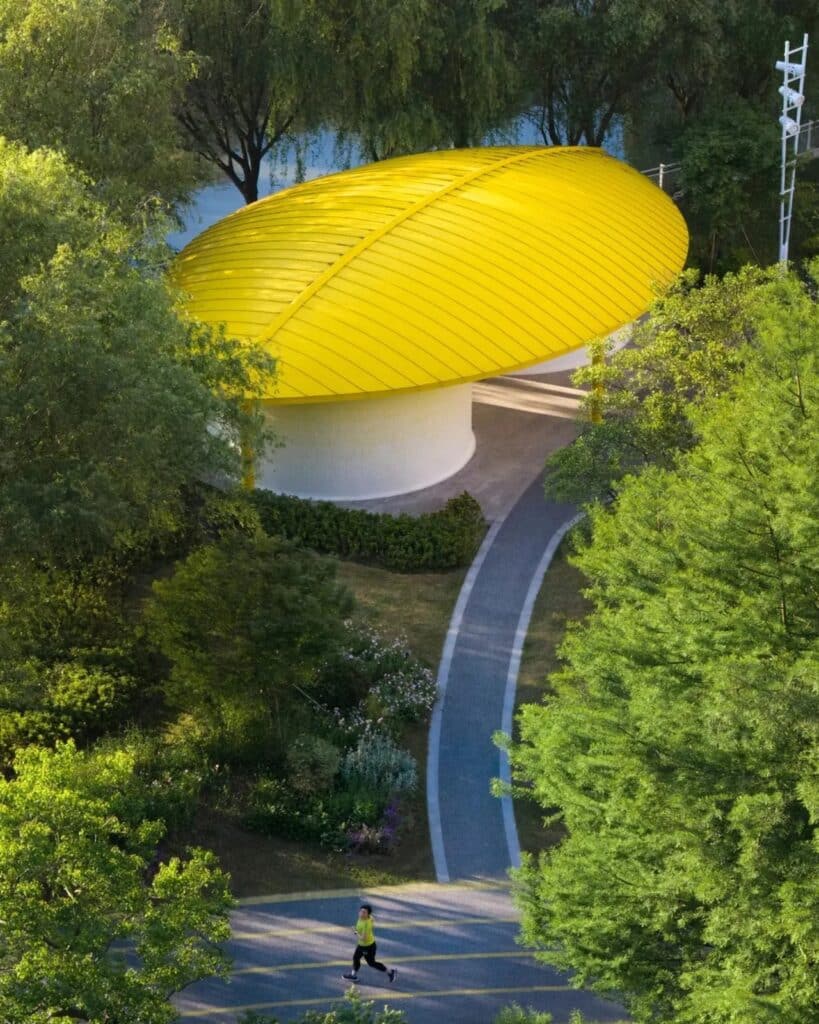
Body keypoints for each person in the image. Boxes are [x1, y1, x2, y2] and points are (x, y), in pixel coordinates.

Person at [342, 903, 397, 983]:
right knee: (356, 958)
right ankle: (353, 976)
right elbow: (372, 918)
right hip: (362, 945)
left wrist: (355, 931)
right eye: (360, 911)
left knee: (371, 963)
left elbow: (363, 938)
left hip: (367, 947)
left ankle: (390, 972)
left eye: (364, 912)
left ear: (367, 914)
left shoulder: (366, 924)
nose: (361, 913)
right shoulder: (366, 918)